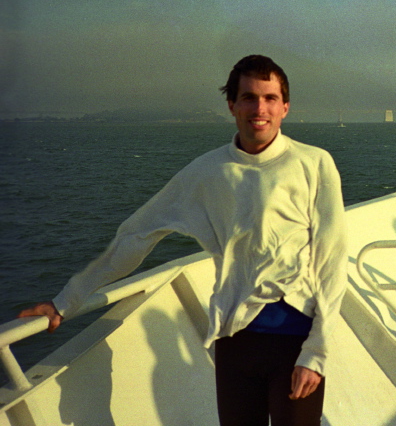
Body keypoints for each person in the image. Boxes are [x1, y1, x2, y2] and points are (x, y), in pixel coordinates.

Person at [19, 55, 348, 426]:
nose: (260, 108)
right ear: (232, 105)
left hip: (295, 341)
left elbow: (331, 261)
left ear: (285, 107)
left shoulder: (314, 164)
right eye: (249, 97)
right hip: (234, 342)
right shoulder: (206, 172)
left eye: (270, 98)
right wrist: (66, 300)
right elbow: (136, 236)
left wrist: (315, 353)